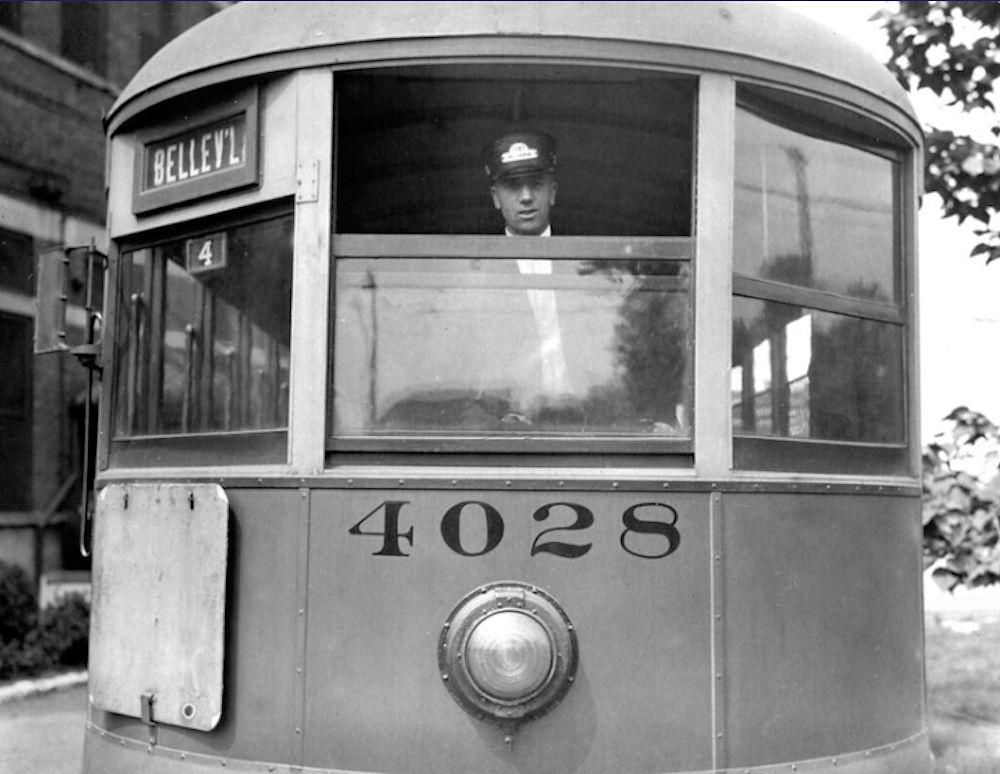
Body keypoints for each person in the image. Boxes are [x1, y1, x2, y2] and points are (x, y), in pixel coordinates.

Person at [484, 130, 558, 236]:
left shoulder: (581, 249)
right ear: (496, 197)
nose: (526, 197)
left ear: (552, 192)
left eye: (535, 184)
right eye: (513, 185)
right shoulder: (479, 251)